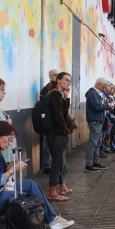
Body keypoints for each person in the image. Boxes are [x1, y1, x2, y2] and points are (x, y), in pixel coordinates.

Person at [0, 121, 74, 229]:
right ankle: (50, 221)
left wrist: (12, 170)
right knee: (24, 196)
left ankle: (52, 219)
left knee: (30, 184)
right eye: (9, 139)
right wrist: (13, 169)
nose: (10, 144)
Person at [46, 72, 77, 200]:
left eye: (70, 81)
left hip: (58, 133)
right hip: (57, 133)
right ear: (58, 81)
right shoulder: (55, 94)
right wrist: (65, 130)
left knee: (61, 161)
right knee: (57, 162)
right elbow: (59, 116)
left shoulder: (59, 95)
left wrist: (66, 97)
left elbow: (63, 112)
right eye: (66, 80)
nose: (69, 83)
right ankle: (52, 192)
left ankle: (62, 187)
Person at [85, 77, 113, 172]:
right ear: (99, 84)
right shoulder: (93, 93)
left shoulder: (97, 93)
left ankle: (96, 162)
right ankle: (89, 164)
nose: (105, 90)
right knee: (93, 143)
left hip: (99, 120)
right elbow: (96, 107)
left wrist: (105, 104)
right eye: (104, 87)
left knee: (97, 143)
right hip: (95, 121)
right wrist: (107, 105)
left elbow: (98, 106)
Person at [40, 69, 59, 174]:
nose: (57, 77)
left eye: (58, 75)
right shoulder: (45, 89)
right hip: (50, 120)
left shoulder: (59, 89)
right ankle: (47, 165)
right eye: (55, 75)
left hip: (56, 121)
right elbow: (44, 105)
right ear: (50, 77)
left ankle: (53, 163)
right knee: (49, 143)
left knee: (56, 143)